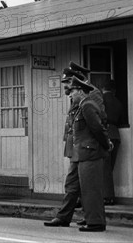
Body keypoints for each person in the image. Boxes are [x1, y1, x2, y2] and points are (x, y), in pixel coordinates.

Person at [44, 76, 112, 232]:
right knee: (80, 186)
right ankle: (85, 219)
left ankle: (96, 222)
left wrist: (106, 145)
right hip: (81, 152)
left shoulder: (87, 105)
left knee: (91, 188)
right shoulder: (81, 105)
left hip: (90, 152)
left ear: (80, 91)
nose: (69, 94)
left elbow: (98, 128)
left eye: (72, 91)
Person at [102, 80, 124, 205]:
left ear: (103, 88)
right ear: (114, 90)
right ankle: (108, 195)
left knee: (104, 168)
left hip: (105, 133)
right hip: (116, 134)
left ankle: (107, 197)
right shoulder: (118, 102)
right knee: (109, 168)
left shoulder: (101, 99)